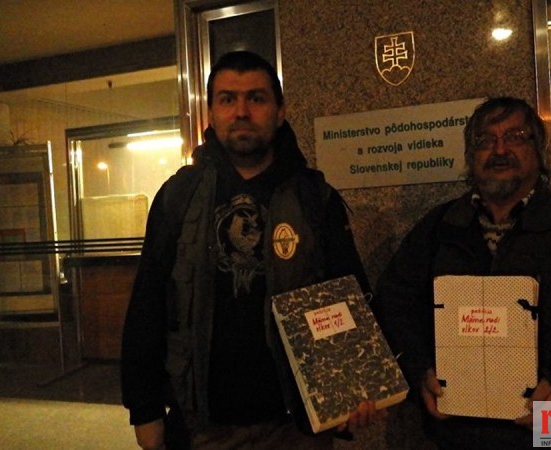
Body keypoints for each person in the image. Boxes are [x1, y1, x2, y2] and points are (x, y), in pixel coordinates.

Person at [121, 51, 380, 450]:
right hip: (202, 426)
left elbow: (349, 296)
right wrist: (144, 408)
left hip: (296, 428)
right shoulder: (179, 196)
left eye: (256, 98)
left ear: (280, 111)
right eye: (227, 99)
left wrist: (354, 389)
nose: (241, 111)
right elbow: (147, 303)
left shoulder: (314, 197)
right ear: (211, 113)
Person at [376, 97, 551, 449]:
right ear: (470, 155)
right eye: (485, 140)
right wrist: (419, 370)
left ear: (538, 149)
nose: (500, 149)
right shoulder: (438, 230)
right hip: (457, 436)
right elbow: (394, 308)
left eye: (515, 137)